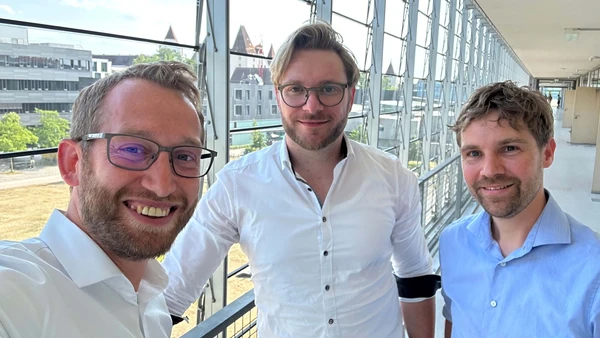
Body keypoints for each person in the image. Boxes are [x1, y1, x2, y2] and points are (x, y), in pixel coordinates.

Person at [163, 21, 437, 338]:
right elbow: (174, 289)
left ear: (350, 97)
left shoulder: (393, 177)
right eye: (296, 89)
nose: (312, 106)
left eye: (328, 89)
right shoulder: (238, 185)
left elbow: (415, 274)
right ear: (278, 96)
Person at [0, 61, 216, 337]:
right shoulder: (15, 295)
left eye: (185, 156)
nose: (162, 185)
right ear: (73, 163)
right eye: (132, 149)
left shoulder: (152, 305)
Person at [440, 81, 600, 337]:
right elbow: (454, 320)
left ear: (547, 153)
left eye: (510, 148)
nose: (490, 170)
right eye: (473, 153)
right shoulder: (453, 242)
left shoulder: (593, 269)